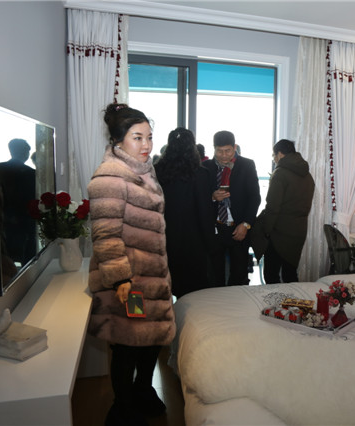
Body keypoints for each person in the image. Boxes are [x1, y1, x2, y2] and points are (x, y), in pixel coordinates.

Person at [87, 103, 175, 426]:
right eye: (137, 138)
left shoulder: (145, 170)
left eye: (149, 137)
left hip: (153, 279)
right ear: (118, 140)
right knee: (128, 344)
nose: (146, 144)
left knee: (151, 340)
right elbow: (106, 235)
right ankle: (122, 407)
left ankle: (142, 390)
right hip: (130, 285)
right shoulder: (110, 178)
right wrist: (121, 279)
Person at [155, 128, 215, 298]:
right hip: (193, 241)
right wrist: (211, 243)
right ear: (192, 147)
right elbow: (205, 212)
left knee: (165, 287)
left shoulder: (156, 171)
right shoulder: (201, 174)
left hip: (163, 237)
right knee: (193, 292)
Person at [202, 130, 261, 286]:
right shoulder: (206, 167)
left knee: (239, 275)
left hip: (239, 227)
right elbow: (199, 198)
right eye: (219, 151)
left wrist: (246, 224)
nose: (223, 155)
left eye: (227, 150)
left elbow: (254, 197)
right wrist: (212, 197)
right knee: (214, 276)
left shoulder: (247, 165)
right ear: (214, 148)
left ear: (235, 147)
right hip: (215, 228)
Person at [251, 139, 315, 283]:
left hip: (279, 232)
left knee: (271, 275)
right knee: (290, 274)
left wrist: (266, 230)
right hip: (299, 230)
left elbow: (272, 207)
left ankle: (274, 299)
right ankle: (293, 299)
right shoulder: (307, 175)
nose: (274, 159)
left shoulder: (280, 173)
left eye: (273, 156)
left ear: (279, 154)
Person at [0, 138, 36, 265]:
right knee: (27, 260)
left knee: (4, 259)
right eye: (27, 151)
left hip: (1, 221)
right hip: (24, 223)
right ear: (24, 152)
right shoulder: (30, 173)